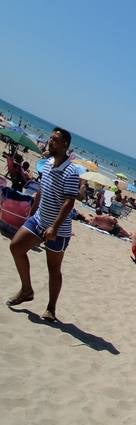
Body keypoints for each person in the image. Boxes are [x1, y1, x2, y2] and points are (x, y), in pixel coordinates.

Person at [7, 127, 79, 321]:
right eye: (50, 138)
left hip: (59, 229)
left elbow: (69, 202)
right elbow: (41, 190)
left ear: (65, 144)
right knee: (16, 247)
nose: (50, 141)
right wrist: (31, 212)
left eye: (55, 139)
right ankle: (27, 290)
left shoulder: (71, 172)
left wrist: (54, 227)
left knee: (53, 269)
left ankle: (51, 308)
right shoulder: (46, 164)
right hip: (39, 220)